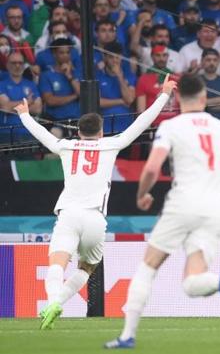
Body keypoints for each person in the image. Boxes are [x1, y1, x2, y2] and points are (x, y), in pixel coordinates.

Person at [104, 74, 220, 349]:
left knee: (149, 266)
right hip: (215, 209)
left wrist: (142, 195)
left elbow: (152, 168)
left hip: (182, 204)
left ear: (177, 99)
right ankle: (219, 281)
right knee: (192, 283)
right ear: (202, 97)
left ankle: (127, 335)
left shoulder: (171, 126)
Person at [16, 74, 177, 330]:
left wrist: (24, 114)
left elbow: (42, 135)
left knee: (57, 264)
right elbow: (142, 123)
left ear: (79, 131)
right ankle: (58, 302)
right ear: (100, 132)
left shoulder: (65, 146)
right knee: (87, 268)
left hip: (68, 214)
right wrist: (165, 93)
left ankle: (51, 302)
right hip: (95, 219)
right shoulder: (112, 144)